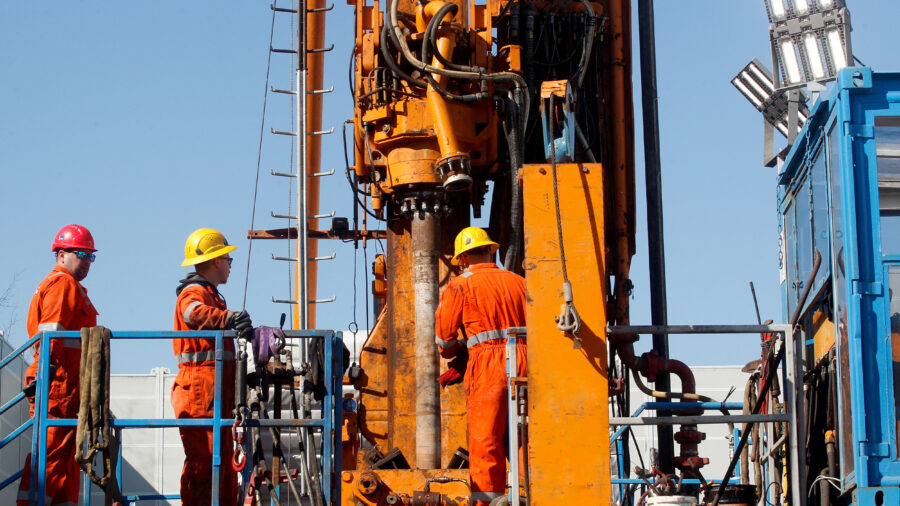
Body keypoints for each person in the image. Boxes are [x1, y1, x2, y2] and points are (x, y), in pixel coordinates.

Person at [434, 227, 527, 506]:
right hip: (527, 360)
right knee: (524, 434)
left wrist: (459, 350)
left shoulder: (460, 284)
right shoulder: (520, 282)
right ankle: (529, 495)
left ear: (462, 258)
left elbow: (444, 340)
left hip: (488, 364)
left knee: (486, 436)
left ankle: (488, 501)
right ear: (490, 250)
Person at [17, 224, 99, 506]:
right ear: (61, 254)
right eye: (81, 253)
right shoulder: (62, 283)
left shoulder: (71, 286)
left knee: (66, 459)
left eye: (91, 256)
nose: (87, 261)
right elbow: (50, 332)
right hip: (58, 383)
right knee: (50, 455)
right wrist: (47, 374)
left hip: (69, 385)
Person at [172, 228, 252, 506]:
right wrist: (229, 318)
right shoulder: (193, 293)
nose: (230, 265)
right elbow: (193, 314)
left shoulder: (213, 296)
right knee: (204, 462)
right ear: (216, 260)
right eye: (229, 259)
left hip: (213, 390)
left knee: (221, 462)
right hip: (199, 391)